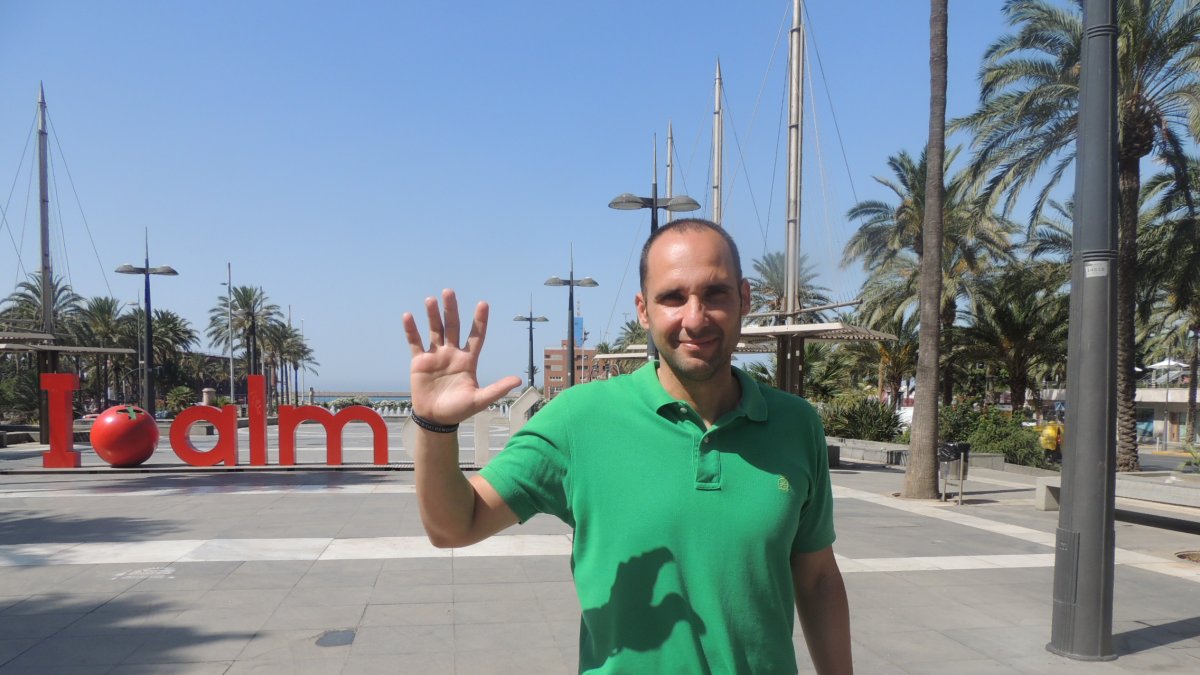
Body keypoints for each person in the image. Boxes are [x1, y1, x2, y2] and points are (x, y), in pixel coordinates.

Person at [402, 219, 852, 674]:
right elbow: (454, 526)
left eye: (715, 293)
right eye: (672, 297)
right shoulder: (579, 419)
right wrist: (435, 426)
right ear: (643, 310)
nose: (694, 318)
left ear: (745, 299)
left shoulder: (796, 424)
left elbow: (816, 579)